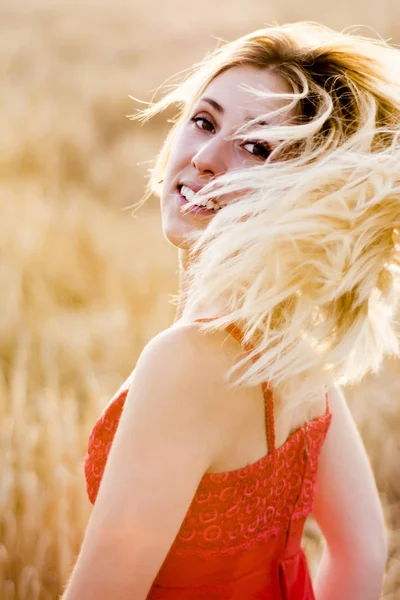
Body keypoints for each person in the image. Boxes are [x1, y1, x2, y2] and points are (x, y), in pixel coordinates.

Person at [62, 22, 400, 600]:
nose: (207, 160)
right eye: (204, 122)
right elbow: (363, 550)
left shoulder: (185, 364)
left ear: (306, 187)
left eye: (256, 147)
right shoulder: (292, 344)